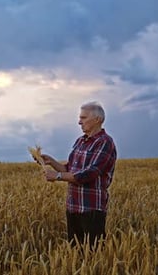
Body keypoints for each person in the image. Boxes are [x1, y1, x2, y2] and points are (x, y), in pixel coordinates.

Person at [41, 101, 117, 249]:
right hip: (73, 207)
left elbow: (89, 174)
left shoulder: (105, 142)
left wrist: (57, 176)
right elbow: (69, 168)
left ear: (97, 120)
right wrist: (51, 161)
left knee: (93, 254)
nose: (79, 122)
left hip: (91, 209)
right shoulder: (80, 141)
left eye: (83, 118)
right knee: (75, 254)